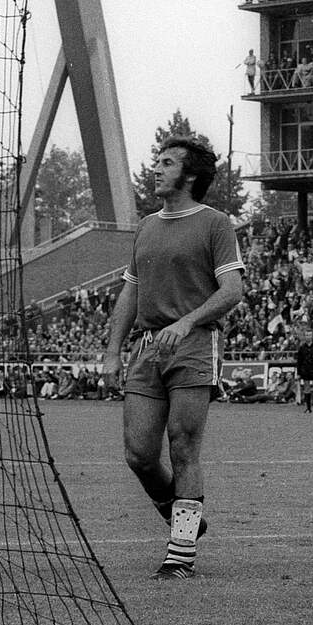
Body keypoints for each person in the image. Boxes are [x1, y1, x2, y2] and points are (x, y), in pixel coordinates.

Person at [103, 136, 245, 580]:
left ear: (189, 176)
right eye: (158, 160)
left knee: (183, 447)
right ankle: (187, 521)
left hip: (195, 342)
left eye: (167, 162)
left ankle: (180, 554)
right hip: (147, 347)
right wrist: (112, 350)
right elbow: (131, 290)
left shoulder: (215, 223)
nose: (157, 168)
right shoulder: (146, 226)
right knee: (139, 455)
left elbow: (233, 290)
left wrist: (185, 323)